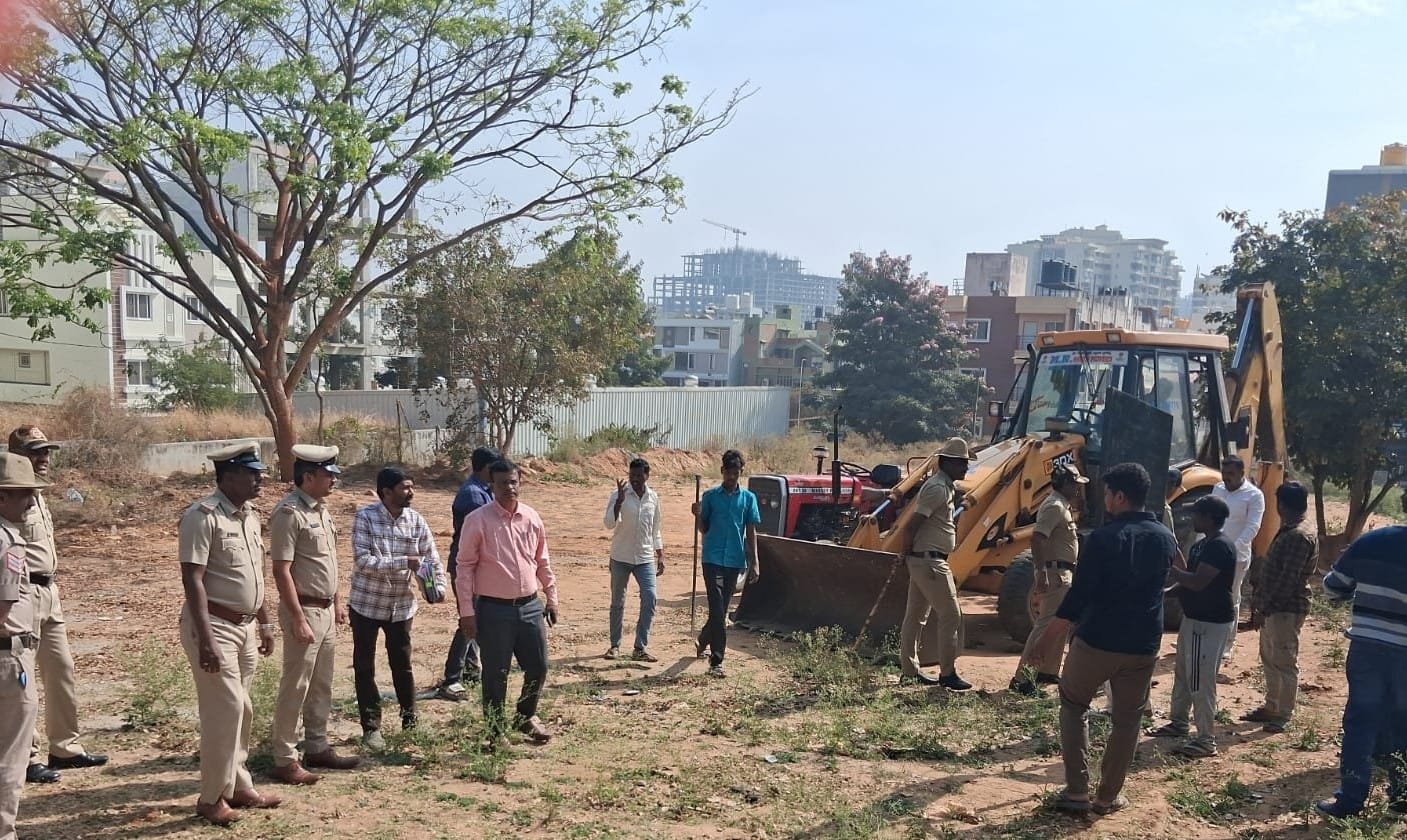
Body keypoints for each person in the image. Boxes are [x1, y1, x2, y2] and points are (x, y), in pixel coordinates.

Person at [1034, 462, 1177, 816]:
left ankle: (1078, 792)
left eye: (1108, 494)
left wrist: (1046, 640)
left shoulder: (1101, 539)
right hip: (1143, 645)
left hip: (1097, 641)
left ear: (1120, 497)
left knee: (1073, 705)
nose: (1105, 501)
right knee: (1128, 722)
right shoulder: (1165, 538)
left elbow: (1078, 597)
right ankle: (1108, 797)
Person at [178, 442, 280, 826]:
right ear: (229, 476)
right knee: (225, 710)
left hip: (245, 625)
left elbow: (255, 575)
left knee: (244, 707)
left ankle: (238, 785)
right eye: (252, 473)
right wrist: (205, 638)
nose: (260, 479)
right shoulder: (202, 517)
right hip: (215, 626)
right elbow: (193, 579)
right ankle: (211, 798)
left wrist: (265, 621)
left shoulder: (248, 516)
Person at [7, 427, 106, 785]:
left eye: (47, 451)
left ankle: (65, 747)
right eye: (36, 452)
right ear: (17, 455)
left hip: (50, 592)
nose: (44, 458)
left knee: (61, 670)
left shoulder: (39, 494)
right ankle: (27, 756)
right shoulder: (10, 495)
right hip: (21, 593)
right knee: (24, 680)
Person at [267, 445, 360, 785]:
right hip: (303, 610)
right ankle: (285, 757)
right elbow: (282, 571)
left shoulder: (321, 510)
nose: (334, 480)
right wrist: (298, 617)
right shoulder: (289, 514)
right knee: (296, 685)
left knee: (321, 684)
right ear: (308, 477)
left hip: (324, 609)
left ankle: (317, 746)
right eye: (328, 475)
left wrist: (336, 601)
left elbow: (328, 563)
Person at [456, 459, 559, 746]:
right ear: (492, 485)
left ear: (520, 482)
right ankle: (495, 730)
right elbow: (464, 568)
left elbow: (543, 561)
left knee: (538, 667)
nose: (509, 488)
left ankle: (525, 716)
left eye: (513, 482)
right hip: (493, 610)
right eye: (502, 483)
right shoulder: (477, 520)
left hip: (529, 606)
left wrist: (551, 597)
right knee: (495, 674)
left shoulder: (531, 517)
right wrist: (467, 613)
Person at [1315, 498, 1407, 819]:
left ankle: (1351, 800)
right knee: (1402, 723)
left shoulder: (1372, 541)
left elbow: (1333, 587)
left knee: (1360, 722)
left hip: (1368, 648)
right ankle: (1400, 799)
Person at [349, 467, 444, 751]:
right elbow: (363, 561)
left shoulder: (415, 521)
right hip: (367, 605)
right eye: (405, 487)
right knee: (364, 668)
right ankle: (371, 728)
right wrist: (405, 561)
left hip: (401, 607)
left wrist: (436, 587)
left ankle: (410, 722)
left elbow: (431, 559)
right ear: (386, 492)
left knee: (402, 666)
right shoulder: (365, 518)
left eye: (411, 487)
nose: (411, 492)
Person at [1149, 495, 1237, 758]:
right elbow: (1190, 583)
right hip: (1194, 618)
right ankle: (1178, 722)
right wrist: (1166, 591)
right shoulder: (1203, 545)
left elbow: (1198, 582)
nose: (1193, 518)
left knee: (1201, 679)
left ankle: (1206, 738)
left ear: (1210, 518)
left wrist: (1171, 569)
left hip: (1209, 622)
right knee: (1184, 672)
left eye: (1198, 514)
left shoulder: (1220, 547)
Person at [895, 437, 975, 691]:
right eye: (962, 463)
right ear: (948, 463)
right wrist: (903, 552)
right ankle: (948, 673)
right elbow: (912, 524)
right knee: (951, 615)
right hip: (930, 562)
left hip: (926, 560)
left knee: (915, 616)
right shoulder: (937, 488)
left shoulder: (945, 487)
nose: (965, 468)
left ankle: (909, 670)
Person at [1242, 481, 1317, 733]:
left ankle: (1283, 713)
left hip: (1285, 608)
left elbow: (1288, 580)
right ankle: (1272, 707)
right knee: (1270, 658)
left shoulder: (1298, 535)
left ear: (1281, 505)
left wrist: (1266, 608)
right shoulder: (1292, 529)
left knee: (1284, 660)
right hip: (1275, 607)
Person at [0, 453, 49, 840]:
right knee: (11, 756)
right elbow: (2, 608)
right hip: (6, 656)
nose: (31, 502)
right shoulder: (9, 543)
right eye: (23, 495)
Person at [1009, 463, 1088, 695]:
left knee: (1059, 625)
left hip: (1062, 572)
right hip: (1055, 573)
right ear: (1064, 483)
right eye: (1074, 484)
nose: (1077, 489)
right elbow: (1038, 538)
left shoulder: (1062, 505)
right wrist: (1040, 572)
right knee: (1046, 626)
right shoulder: (1054, 506)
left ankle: (1046, 671)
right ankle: (1022, 679)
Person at [434, 446, 499, 703]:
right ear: (484, 468)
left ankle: (471, 671)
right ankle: (452, 677)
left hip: (474, 567)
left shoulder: (482, 491)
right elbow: (483, 535)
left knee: (476, 619)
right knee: (468, 621)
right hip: (467, 568)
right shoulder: (473, 495)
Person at [691, 449, 761, 678]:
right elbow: (704, 528)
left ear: (741, 472)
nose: (731, 477)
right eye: (728, 472)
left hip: (734, 560)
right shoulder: (711, 497)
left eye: (736, 473)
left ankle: (703, 639)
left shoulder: (748, 499)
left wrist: (755, 562)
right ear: (722, 471)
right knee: (718, 609)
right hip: (711, 559)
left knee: (720, 609)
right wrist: (698, 515)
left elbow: (751, 531)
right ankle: (716, 660)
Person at [604, 457, 664, 662]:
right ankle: (614, 646)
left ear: (647, 476)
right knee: (617, 602)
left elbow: (655, 528)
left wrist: (660, 553)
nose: (635, 480)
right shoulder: (618, 495)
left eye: (639, 476)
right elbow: (609, 524)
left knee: (650, 597)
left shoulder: (653, 498)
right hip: (620, 556)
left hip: (645, 557)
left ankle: (640, 647)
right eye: (632, 475)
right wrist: (619, 502)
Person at [1212, 456, 1265, 662]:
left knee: (1230, 599)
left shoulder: (1254, 496)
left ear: (1242, 473)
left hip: (1236, 558)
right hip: (1213, 554)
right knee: (1208, 596)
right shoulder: (1218, 489)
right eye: (1224, 474)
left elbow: (1252, 527)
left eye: (1231, 475)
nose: (1226, 479)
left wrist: (1230, 549)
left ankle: (1227, 644)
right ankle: (1208, 637)